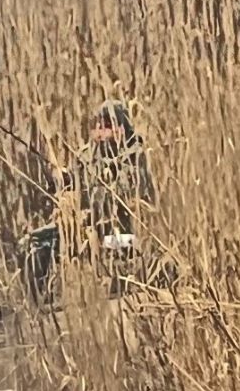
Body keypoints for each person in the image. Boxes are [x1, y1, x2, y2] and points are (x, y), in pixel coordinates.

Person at [23, 100, 155, 302]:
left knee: (101, 243)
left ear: (122, 126)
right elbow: (74, 179)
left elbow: (127, 191)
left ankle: (121, 284)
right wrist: (61, 178)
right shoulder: (89, 155)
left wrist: (104, 180)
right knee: (35, 241)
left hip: (126, 237)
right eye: (99, 125)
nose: (101, 132)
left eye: (108, 125)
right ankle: (41, 302)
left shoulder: (136, 155)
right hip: (87, 231)